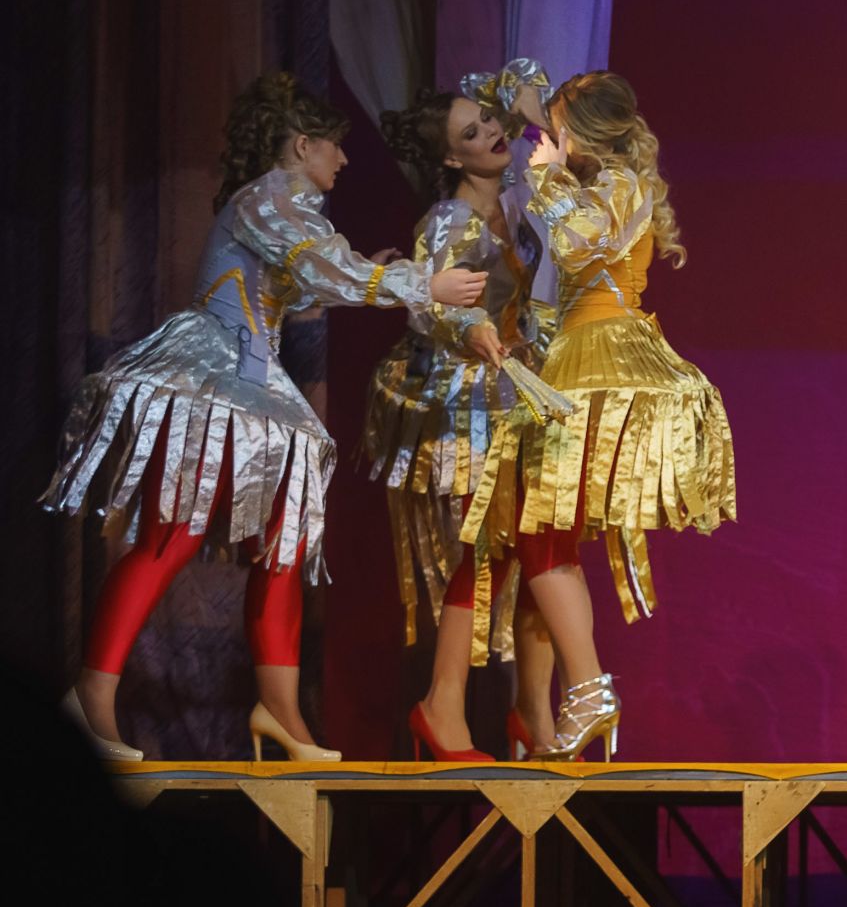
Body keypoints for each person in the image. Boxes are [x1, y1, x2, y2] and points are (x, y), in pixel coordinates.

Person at [42, 73, 487, 761]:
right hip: (215, 381)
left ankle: (280, 712)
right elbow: (317, 264)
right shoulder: (270, 195)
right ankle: (91, 698)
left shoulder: (285, 206)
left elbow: (304, 278)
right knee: (174, 533)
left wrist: (370, 273)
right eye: (334, 146)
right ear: (302, 145)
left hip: (254, 389)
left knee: (285, 544)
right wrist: (422, 284)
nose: (344, 159)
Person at [461, 71, 737, 760]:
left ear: (581, 134)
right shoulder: (603, 181)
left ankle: (586, 689)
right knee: (543, 535)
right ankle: (553, 705)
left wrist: (546, 177)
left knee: (542, 533)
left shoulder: (619, 184)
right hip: (573, 361)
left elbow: (574, 244)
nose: (545, 141)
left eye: (557, 129)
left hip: (600, 366)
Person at [366, 60, 571, 760]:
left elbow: (521, 79)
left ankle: (531, 712)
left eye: (488, 122)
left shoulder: (514, 199)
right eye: (471, 133)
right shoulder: (449, 217)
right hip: (469, 399)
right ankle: (443, 702)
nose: (489, 133)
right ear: (451, 158)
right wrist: (471, 326)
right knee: (488, 548)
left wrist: (526, 109)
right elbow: (430, 306)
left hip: (518, 388)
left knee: (537, 546)